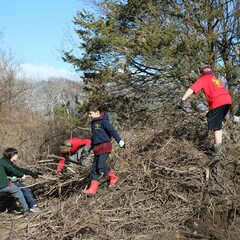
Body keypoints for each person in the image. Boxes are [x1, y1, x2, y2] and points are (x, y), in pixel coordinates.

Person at [179, 65, 232, 155]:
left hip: (218, 101)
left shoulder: (203, 79)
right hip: (227, 100)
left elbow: (191, 89)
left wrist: (182, 100)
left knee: (215, 125)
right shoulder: (215, 79)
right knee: (216, 122)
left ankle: (217, 151)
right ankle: (220, 146)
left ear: (201, 73)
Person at [82, 101, 125, 195]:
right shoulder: (93, 123)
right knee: (94, 169)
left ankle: (113, 177)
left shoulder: (104, 121)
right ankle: (92, 189)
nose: (89, 115)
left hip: (105, 146)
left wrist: (120, 141)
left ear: (97, 112)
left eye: (90, 113)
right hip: (97, 148)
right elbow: (95, 136)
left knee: (100, 166)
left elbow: (112, 131)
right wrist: (91, 145)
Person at [3, 148, 42, 213]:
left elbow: (17, 170)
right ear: (12, 155)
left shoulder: (6, 161)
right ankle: (34, 206)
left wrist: (32, 173)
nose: (17, 155)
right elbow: (17, 170)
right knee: (23, 187)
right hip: (4, 184)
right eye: (16, 154)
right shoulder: (7, 163)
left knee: (19, 185)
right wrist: (32, 173)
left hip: (5, 182)